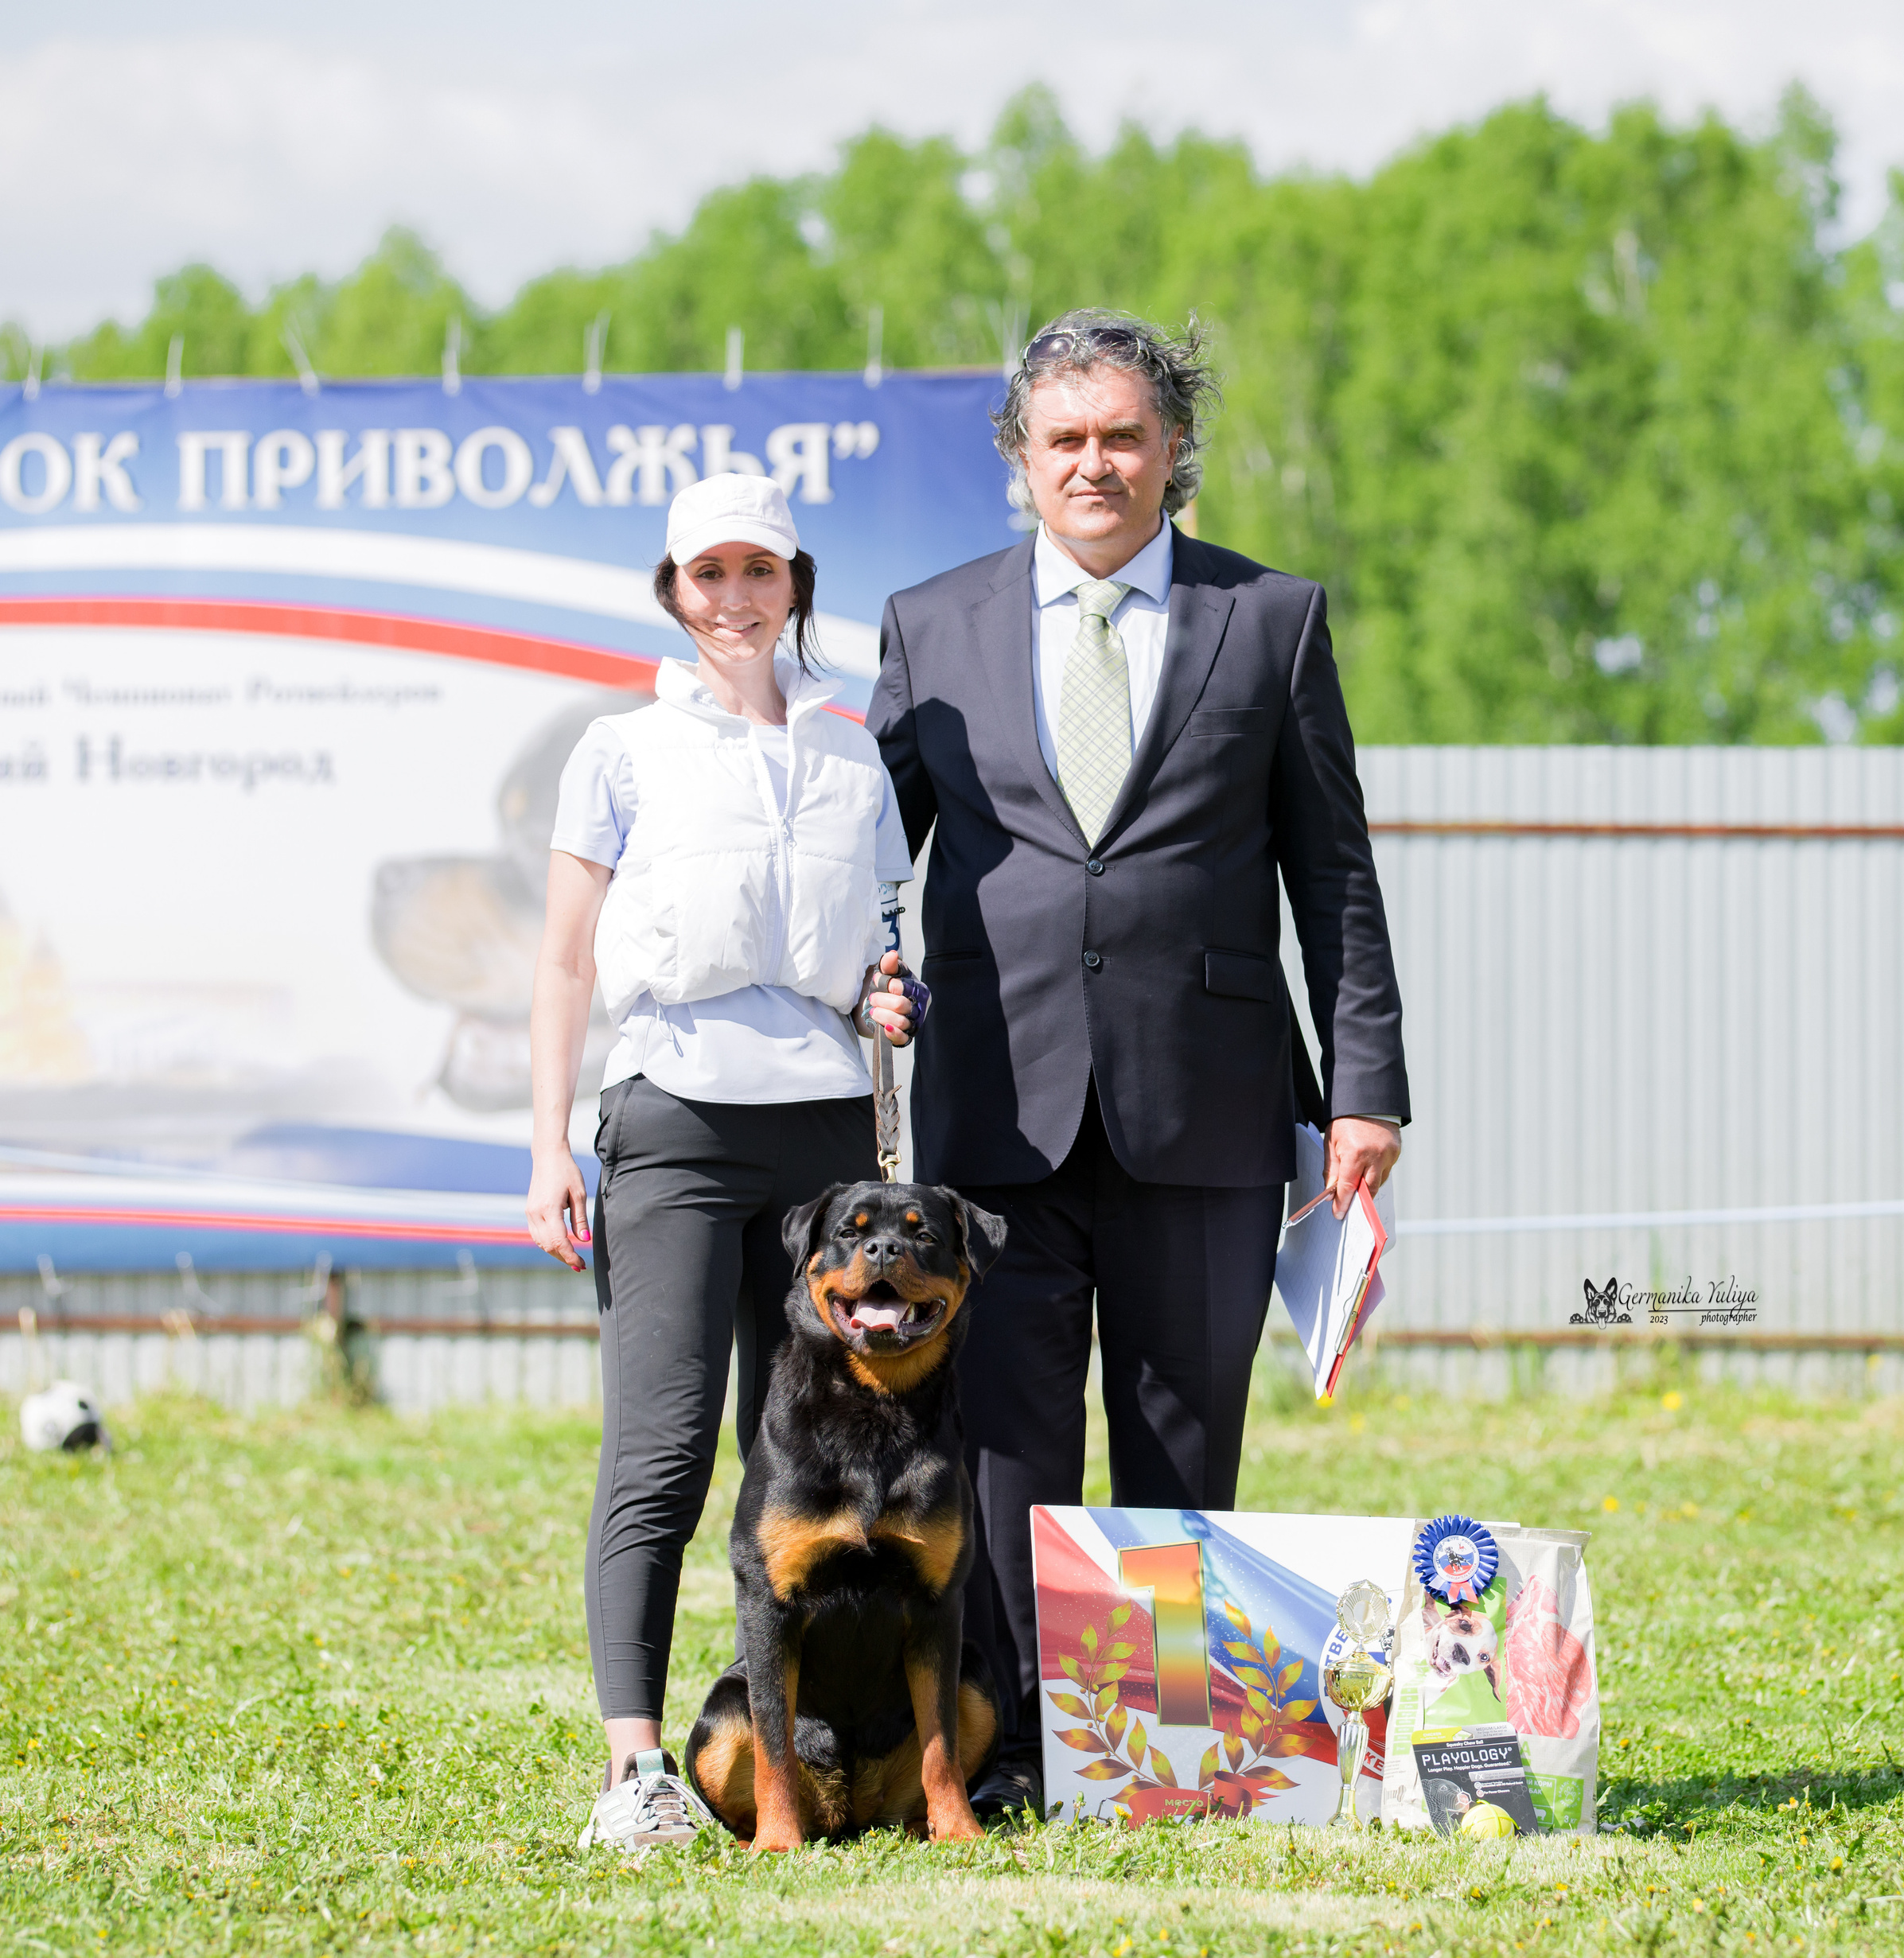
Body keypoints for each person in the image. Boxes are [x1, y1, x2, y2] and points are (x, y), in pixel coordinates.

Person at [866, 309, 1411, 1815]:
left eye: (1123, 435)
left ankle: (1164, 1748)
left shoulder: (1273, 620)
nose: (1094, 463)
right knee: (1005, 1459)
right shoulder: (934, 623)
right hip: (996, 1122)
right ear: (1019, 461)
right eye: (1065, 439)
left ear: (1174, 452)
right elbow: (861, 851)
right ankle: (1032, 1748)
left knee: (1182, 1442)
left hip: (1213, 1106)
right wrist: (851, 975)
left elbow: (1335, 873)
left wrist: (1364, 1082)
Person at [526, 473, 928, 1852]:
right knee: (662, 1448)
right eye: (709, 576)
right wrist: (543, 1146)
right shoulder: (620, 750)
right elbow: (567, 962)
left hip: (824, 1135)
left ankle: (817, 1755)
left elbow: (873, 959)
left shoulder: (852, 762)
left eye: (761, 572)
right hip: (674, 1130)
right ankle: (638, 1772)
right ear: (674, 591)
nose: (736, 598)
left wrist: (887, 999)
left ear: (796, 587)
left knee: (810, 1458)